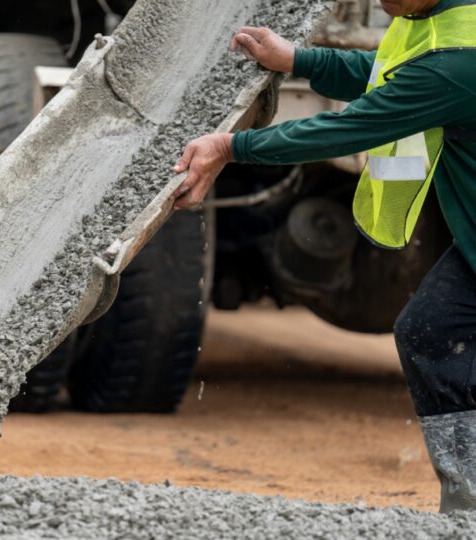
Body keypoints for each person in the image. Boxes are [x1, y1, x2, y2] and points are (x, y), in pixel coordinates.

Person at [174, 0, 476, 512]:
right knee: (430, 328)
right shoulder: (444, 24)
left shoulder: (459, 63)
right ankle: (467, 498)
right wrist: (300, 60)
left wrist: (232, 148)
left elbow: (349, 127)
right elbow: (386, 74)